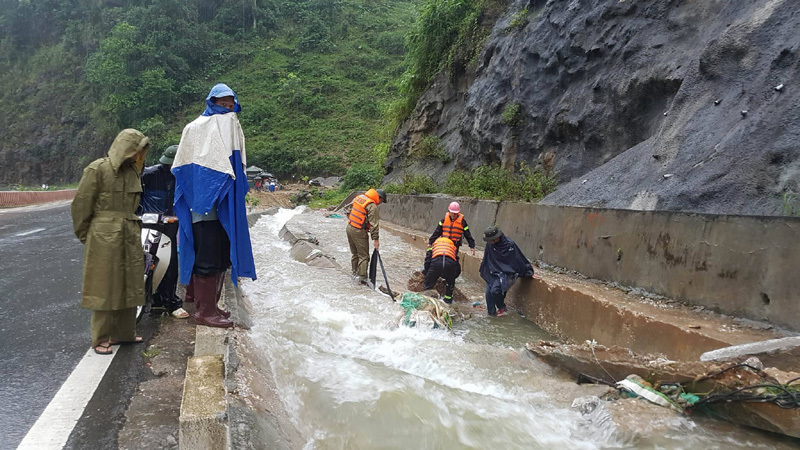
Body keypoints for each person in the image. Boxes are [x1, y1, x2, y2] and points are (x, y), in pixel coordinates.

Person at [172, 83, 257, 328]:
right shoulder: (196, 129)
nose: (227, 110)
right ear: (212, 103)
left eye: (231, 106)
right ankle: (204, 311)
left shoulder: (231, 128)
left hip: (226, 209)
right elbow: (185, 169)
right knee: (207, 260)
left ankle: (213, 306)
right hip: (204, 212)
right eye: (222, 105)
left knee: (222, 259)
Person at [71, 129, 150, 355]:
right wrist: (89, 236)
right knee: (104, 286)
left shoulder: (134, 172)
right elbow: (80, 206)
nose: (139, 155)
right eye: (137, 149)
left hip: (130, 231)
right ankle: (101, 337)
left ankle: (124, 333)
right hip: (103, 235)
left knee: (130, 282)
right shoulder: (98, 169)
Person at [138, 145, 188, 319]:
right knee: (144, 262)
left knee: (170, 264)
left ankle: (170, 301)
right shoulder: (149, 175)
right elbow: (137, 197)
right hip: (148, 225)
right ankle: (152, 299)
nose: (169, 168)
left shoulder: (183, 177)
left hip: (169, 226)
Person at [479, 226, 534, 317]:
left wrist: (528, 271)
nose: (489, 242)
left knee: (495, 291)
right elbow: (487, 257)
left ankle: (502, 307)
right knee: (488, 293)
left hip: (506, 273)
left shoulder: (510, 245)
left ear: (496, 238)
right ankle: (492, 315)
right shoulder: (490, 245)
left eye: (490, 240)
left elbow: (519, 258)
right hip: (493, 271)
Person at [346, 188, 386, 285]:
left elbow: (348, 211)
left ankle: (354, 274)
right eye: (382, 201)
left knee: (355, 254)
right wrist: (375, 239)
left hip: (349, 227)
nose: (380, 203)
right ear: (379, 198)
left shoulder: (359, 198)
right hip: (359, 231)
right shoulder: (372, 206)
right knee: (364, 256)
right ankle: (362, 279)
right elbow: (374, 224)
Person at [423, 237, 461, 304]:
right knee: (450, 284)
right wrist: (453, 277)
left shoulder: (434, 246)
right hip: (450, 265)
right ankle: (448, 301)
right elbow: (457, 263)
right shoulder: (452, 247)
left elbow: (427, 260)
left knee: (428, 285)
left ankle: (428, 300)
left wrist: (426, 273)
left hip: (436, 264)